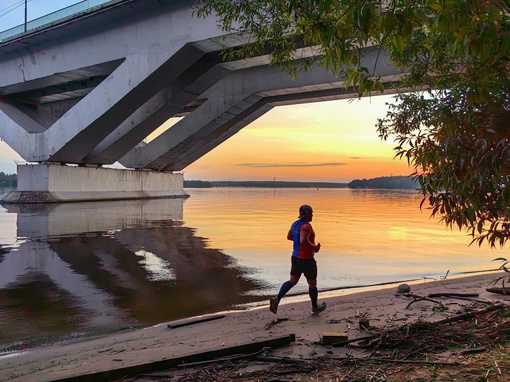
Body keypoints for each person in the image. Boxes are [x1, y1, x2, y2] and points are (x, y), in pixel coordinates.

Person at [269, 204, 326, 315]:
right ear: (307, 214)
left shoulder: (295, 224)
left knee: (292, 281)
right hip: (307, 259)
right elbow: (303, 240)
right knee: (312, 284)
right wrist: (315, 247)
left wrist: (300, 240)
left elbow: (290, 237)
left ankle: (277, 298)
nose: (312, 215)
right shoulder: (306, 226)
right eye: (311, 213)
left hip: (295, 258)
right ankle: (315, 307)